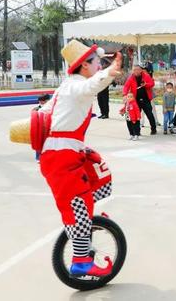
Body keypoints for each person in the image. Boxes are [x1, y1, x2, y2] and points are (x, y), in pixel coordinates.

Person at [38, 40, 121, 277]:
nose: (99, 66)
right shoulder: (76, 85)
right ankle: (81, 261)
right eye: (97, 62)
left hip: (70, 152)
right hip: (60, 157)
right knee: (77, 207)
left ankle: (88, 217)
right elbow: (91, 87)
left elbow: (45, 113)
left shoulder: (66, 86)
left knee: (100, 175)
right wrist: (109, 73)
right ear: (84, 65)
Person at [123, 64, 157, 135]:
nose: (135, 71)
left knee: (150, 114)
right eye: (134, 70)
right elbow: (126, 86)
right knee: (136, 116)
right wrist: (124, 95)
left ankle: (153, 129)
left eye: (137, 70)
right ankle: (137, 131)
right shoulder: (131, 77)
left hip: (146, 99)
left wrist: (145, 84)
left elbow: (152, 84)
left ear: (141, 70)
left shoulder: (146, 76)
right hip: (136, 100)